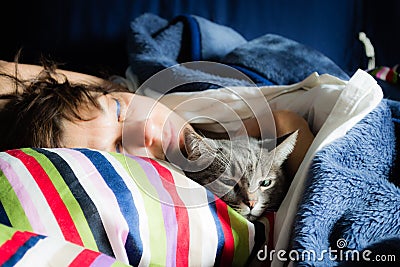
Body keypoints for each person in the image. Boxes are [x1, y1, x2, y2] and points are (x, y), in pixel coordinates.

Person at [0, 59, 314, 178]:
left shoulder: (202, 114)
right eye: (121, 147)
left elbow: (287, 121)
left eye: (121, 111)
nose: (145, 131)